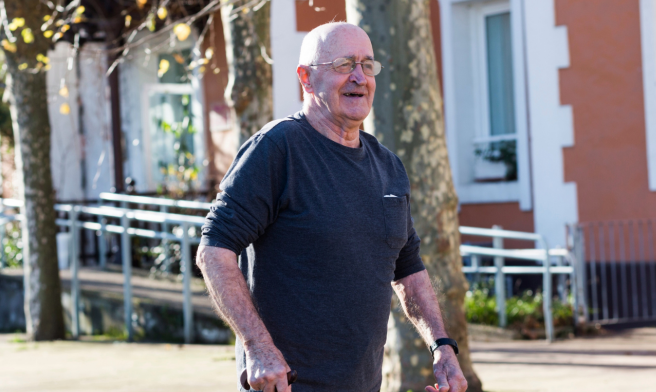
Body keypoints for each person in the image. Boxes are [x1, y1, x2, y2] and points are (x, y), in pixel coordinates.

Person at [197, 22, 468, 392]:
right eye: (344, 65)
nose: (360, 77)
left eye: (367, 65)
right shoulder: (277, 150)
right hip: (287, 384)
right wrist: (257, 347)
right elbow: (214, 251)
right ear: (307, 79)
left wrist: (442, 347)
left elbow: (408, 268)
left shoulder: (388, 166)